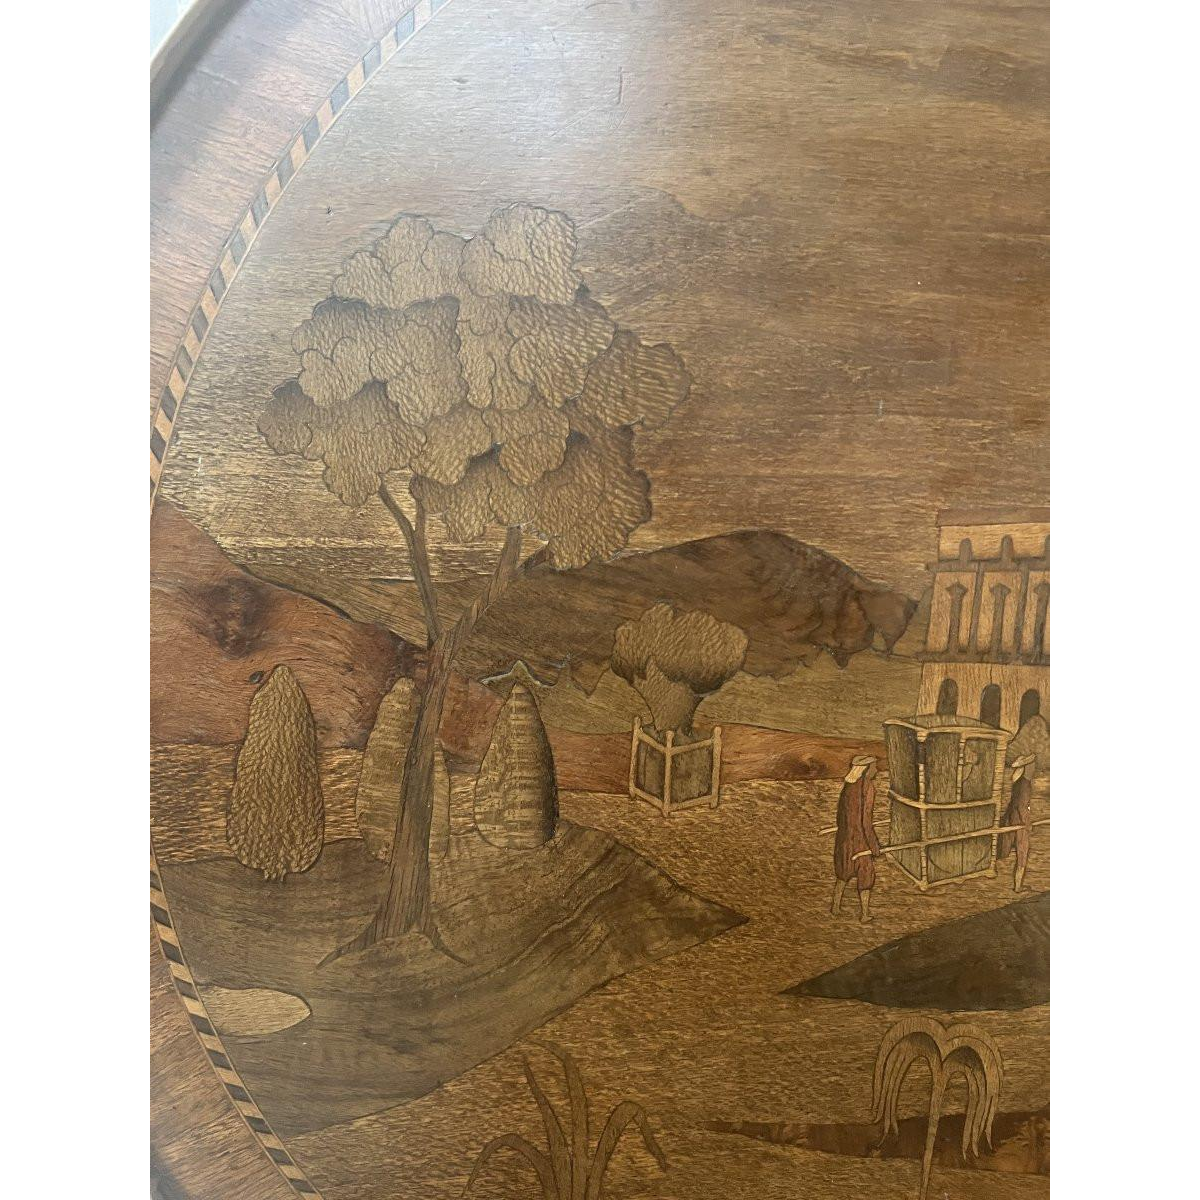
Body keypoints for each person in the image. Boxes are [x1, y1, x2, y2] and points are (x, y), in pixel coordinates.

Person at [832, 755, 882, 922]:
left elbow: (840, 815)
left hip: (845, 839)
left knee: (843, 872)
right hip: (860, 841)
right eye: (874, 767)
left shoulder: (848, 786)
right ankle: (865, 914)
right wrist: (874, 846)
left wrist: (844, 832)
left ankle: (835, 906)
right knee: (866, 876)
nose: (876, 770)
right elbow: (866, 820)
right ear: (866, 770)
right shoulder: (867, 787)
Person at [998, 754, 1036, 891]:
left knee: (1008, 848)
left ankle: (1017, 885)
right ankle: (1018, 886)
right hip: (1020, 819)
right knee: (1022, 852)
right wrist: (1027, 822)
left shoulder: (1016, 780)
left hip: (1012, 816)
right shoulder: (1024, 782)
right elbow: (1021, 806)